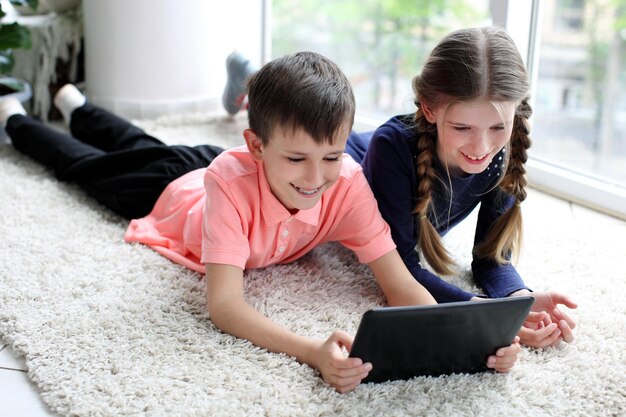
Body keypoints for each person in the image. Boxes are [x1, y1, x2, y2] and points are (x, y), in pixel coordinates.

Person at [0, 51, 521, 393]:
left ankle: (78, 104)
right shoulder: (229, 177)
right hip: (176, 194)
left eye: (332, 156)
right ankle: (18, 119)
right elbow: (225, 306)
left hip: (223, 167)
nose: (318, 178)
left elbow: (400, 283)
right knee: (88, 167)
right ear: (256, 146)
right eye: (298, 158)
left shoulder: (347, 181)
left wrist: (471, 342)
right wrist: (311, 352)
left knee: (144, 145)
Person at [346, 26, 578, 349]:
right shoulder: (392, 149)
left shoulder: (502, 153)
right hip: (353, 159)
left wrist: (519, 301)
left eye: (498, 126)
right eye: (462, 127)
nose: (481, 146)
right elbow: (402, 270)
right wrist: (485, 315)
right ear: (430, 109)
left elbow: (490, 259)